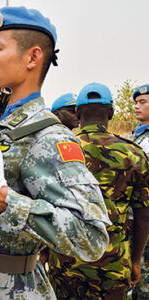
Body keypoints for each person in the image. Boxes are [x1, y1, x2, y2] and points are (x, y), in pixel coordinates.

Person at [0, 6, 111, 299]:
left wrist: (3, 198)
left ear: (32, 57)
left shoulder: (48, 137)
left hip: (16, 289)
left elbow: (91, 237)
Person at [47, 82, 149, 299]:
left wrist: (46, 255)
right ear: (111, 113)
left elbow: (44, 205)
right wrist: (136, 260)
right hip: (113, 264)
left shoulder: (57, 150)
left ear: (77, 112)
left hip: (65, 262)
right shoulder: (133, 154)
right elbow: (143, 215)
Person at [130, 84, 149, 299]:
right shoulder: (132, 138)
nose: (137, 106)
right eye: (136, 102)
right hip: (134, 218)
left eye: (142, 102)